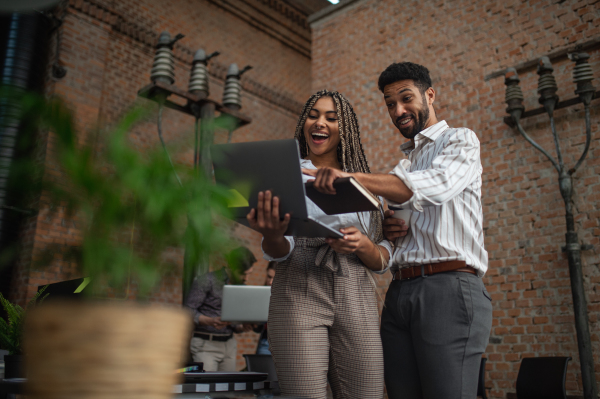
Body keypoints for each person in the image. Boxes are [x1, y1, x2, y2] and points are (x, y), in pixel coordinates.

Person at [304, 62, 493, 399]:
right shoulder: (404, 166)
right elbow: (401, 227)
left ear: (430, 95)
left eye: (406, 99)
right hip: (400, 292)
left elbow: (433, 186)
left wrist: (352, 178)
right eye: (390, 103)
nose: (399, 110)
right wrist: (390, 230)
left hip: (448, 288)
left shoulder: (460, 140)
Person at [246, 90, 392, 399]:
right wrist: (271, 233)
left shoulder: (366, 187)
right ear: (303, 123)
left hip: (356, 292)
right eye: (313, 115)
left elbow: (382, 260)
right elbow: (278, 249)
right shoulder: (281, 175)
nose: (319, 123)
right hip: (298, 285)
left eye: (331, 117)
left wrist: (362, 245)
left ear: (346, 128)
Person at [184, 246, 256, 371]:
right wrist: (210, 321)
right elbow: (187, 311)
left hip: (229, 346)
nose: (246, 279)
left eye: (249, 274)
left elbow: (233, 323)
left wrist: (241, 327)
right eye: (243, 274)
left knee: (227, 388)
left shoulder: (241, 286)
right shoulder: (207, 280)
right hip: (205, 345)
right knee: (208, 388)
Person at [254, 261, 276, 355]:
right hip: (266, 341)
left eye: (274, 278)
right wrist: (255, 324)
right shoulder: (261, 293)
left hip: (286, 342)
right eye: (269, 277)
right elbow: (258, 328)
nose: (270, 282)